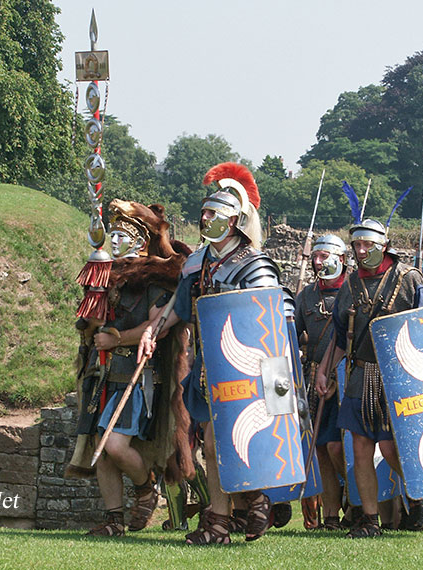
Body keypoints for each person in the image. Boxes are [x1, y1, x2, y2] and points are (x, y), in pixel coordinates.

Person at [138, 162, 285, 545]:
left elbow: (275, 319)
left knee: (227, 441)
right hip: (208, 365)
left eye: (213, 213)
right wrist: (153, 331)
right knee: (212, 442)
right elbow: (177, 307)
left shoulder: (255, 264)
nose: (205, 218)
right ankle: (225, 517)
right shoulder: (198, 262)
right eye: (204, 212)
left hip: (248, 369)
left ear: (234, 219)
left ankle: (251, 499)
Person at [71, 201, 191, 537]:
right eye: (114, 235)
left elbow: (160, 325)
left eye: (123, 235)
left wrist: (117, 338)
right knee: (102, 450)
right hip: (103, 373)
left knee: (114, 445)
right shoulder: (105, 276)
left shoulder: (153, 279)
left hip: (136, 375)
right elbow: (93, 324)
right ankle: (113, 520)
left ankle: (145, 487)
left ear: (139, 242)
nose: (115, 240)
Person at [315, 219, 423, 538]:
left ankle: (418, 493)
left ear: (384, 245)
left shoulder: (409, 279)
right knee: (361, 447)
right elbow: (340, 338)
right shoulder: (350, 285)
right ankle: (369, 520)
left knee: (392, 448)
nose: (362, 251)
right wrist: (325, 371)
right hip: (360, 373)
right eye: (357, 246)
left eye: (368, 245)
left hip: (398, 375)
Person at [295, 234, 349, 530]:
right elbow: (292, 336)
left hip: (350, 376)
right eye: (315, 257)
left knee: (341, 448)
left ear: (341, 259)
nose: (317, 262)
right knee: (321, 448)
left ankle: (355, 500)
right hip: (316, 378)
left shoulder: (354, 293)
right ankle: (330, 514)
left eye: (324, 256)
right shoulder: (307, 296)